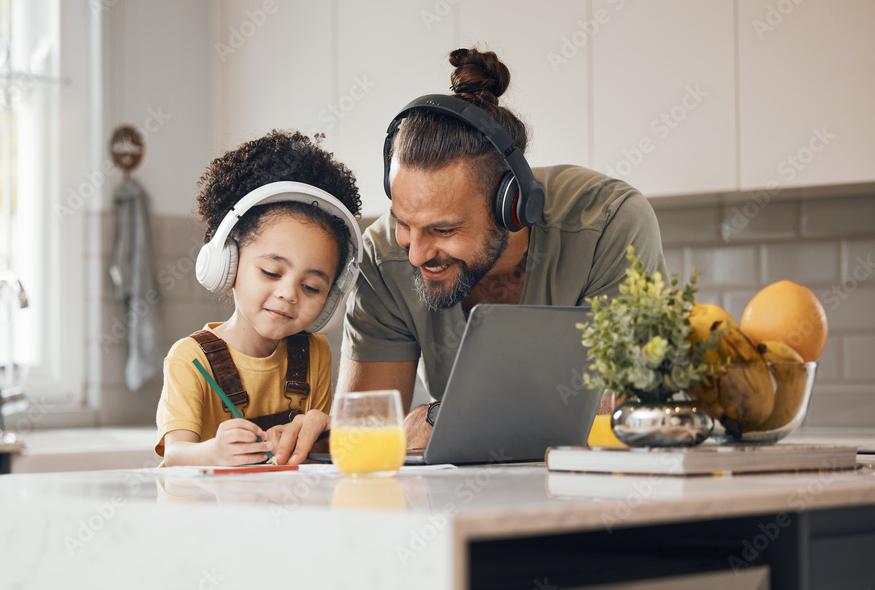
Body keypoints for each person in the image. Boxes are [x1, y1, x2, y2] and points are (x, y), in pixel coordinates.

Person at [271, 47, 667, 460]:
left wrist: (441, 416)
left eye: (443, 229)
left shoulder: (608, 224)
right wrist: (330, 435)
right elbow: (368, 431)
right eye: (405, 223)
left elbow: (621, 407)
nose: (416, 255)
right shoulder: (384, 256)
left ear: (513, 207)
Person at [155, 130, 362, 466]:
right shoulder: (190, 359)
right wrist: (213, 452)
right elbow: (175, 456)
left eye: (311, 287)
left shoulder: (316, 354)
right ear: (227, 262)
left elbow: (314, 454)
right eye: (270, 272)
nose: (288, 294)